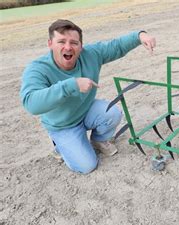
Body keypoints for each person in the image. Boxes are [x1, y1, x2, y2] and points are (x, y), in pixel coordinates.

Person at [20, 19, 156, 174]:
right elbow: (31, 104)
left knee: (112, 112)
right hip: (62, 125)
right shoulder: (37, 69)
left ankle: (97, 140)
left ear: (80, 46)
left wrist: (140, 36)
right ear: (50, 44)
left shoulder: (90, 54)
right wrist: (72, 85)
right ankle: (60, 147)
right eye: (61, 41)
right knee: (87, 166)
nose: (68, 47)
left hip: (85, 111)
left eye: (74, 42)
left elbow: (116, 46)